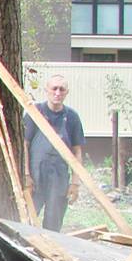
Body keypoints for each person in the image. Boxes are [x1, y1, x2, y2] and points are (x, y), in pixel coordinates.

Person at [23, 74, 85, 232]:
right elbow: (24, 145)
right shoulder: (34, 113)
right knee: (28, 220)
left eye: (62, 89)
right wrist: (26, 175)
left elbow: (77, 151)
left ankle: (51, 252)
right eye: (54, 88)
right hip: (36, 176)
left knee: (53, 223)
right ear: (47, 90)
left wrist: (75, 183)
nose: (58, 92)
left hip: (59, 177)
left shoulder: (72, 117)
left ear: (66, 92)